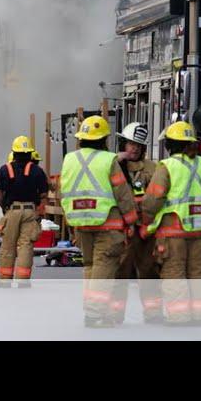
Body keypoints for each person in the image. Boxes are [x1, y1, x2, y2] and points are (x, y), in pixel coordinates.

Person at [60, 116, 137, 328]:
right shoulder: (108, 160)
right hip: (107, 223)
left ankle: (93, 309)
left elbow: (63, 191)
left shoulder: (69, 159)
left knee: (90, 266)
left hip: (81, 221)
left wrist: (71, 220)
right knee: (104, 266)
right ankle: (94, 314)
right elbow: (122, 193)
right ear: (103, 139)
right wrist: (131, 221)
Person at [140, 121, 201, 326]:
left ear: (171, 144)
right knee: (197, 274)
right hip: (200, 232)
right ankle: (198, 316)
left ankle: (179, 317)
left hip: (173, 233)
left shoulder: (167, 166)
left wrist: (144, 221)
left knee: (174, 273)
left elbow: (153, 199)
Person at [109, 122, 162, 324]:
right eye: (131, 144)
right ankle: (115, 313)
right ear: (123, 144)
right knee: (120, 270)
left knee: (148, 269)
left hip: (145, 228)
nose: (135, 148)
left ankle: (153, 312)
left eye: (139, 145)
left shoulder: (153, 168)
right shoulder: (114, 164)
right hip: (123, 228)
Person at [0, 136, 48, 287]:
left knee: (8, 245)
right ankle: (23, 280)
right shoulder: (37, 171)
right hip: (30, 211)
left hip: (12, 210)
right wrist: (38, 212)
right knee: (26, 245)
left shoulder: (5, 169)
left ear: (14, 152)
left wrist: (5, 209)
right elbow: (44, 195)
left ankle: (5, 280)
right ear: (30, 153)